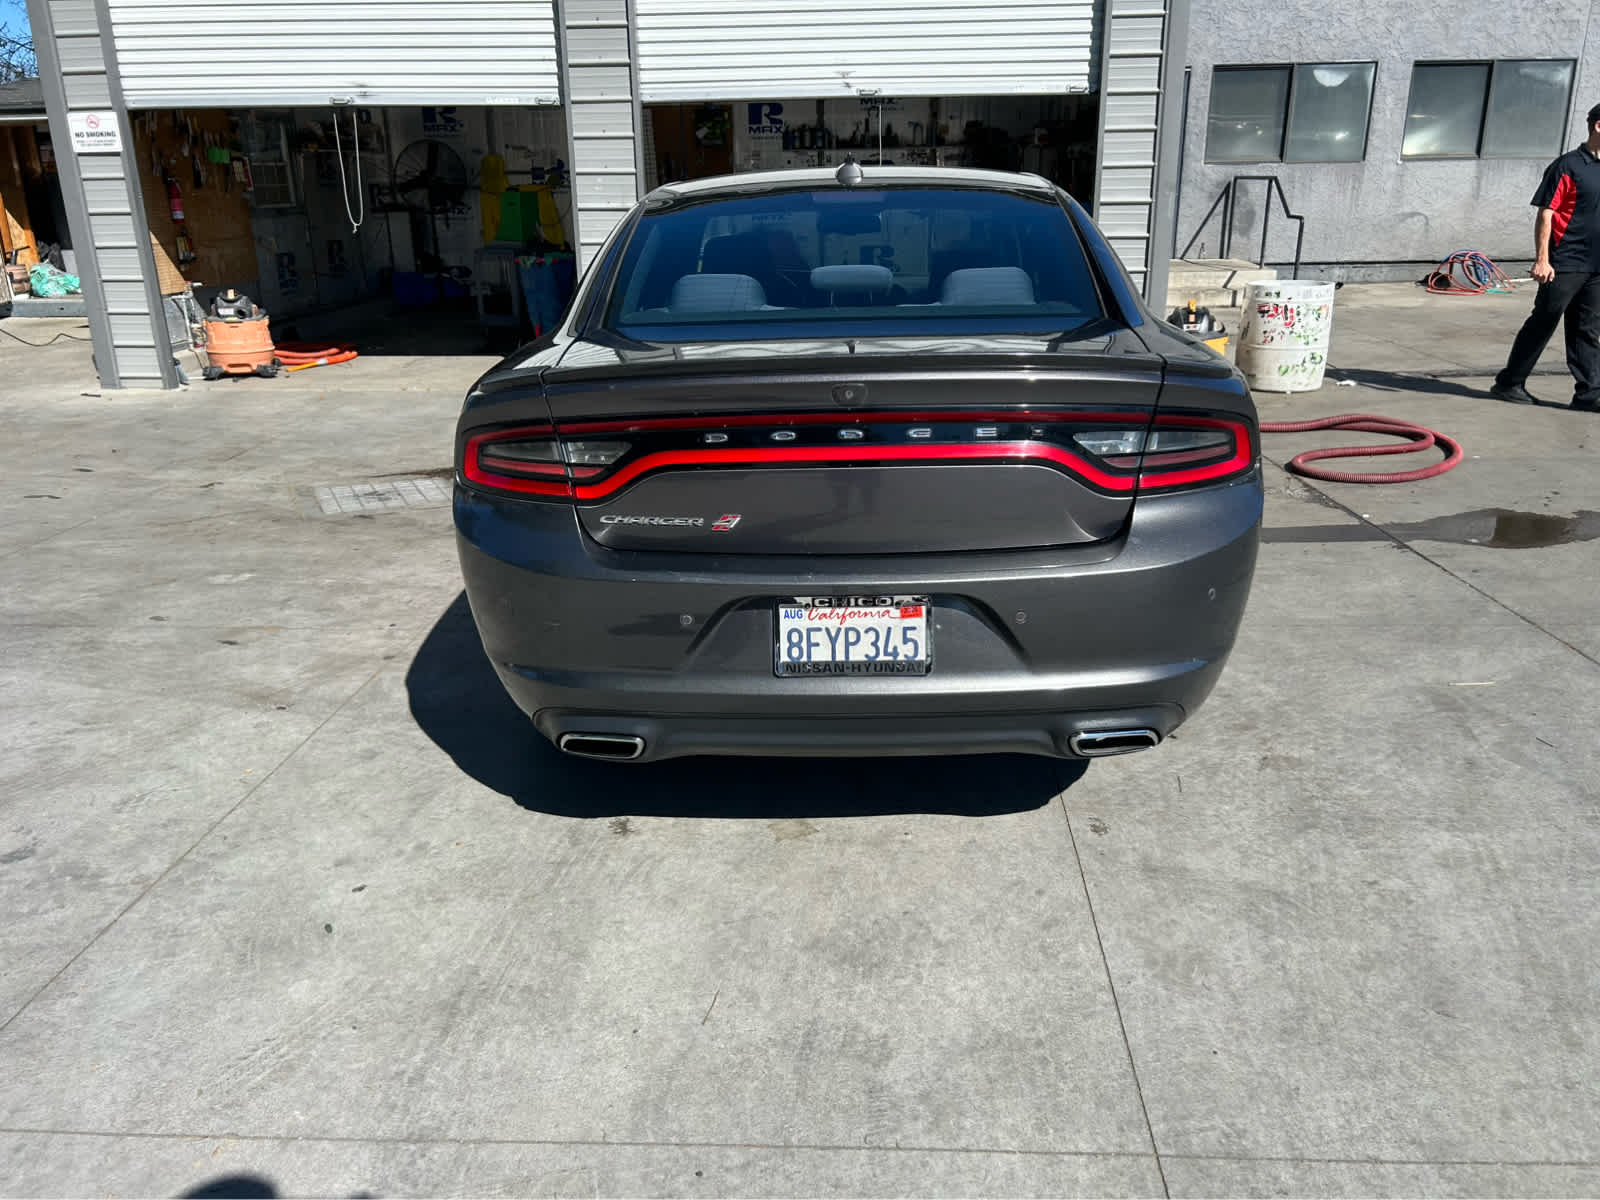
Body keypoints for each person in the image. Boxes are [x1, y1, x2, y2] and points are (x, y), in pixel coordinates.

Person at [1492, 104, 1600, 411]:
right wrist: (1543, 259)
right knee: (1544, 321)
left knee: (1587, 329)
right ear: (1598, 127)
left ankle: (1590, 394)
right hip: (1565, 261)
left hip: (1596, 266)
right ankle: (1509, 383)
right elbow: (1547, 213)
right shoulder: (1567, 166)